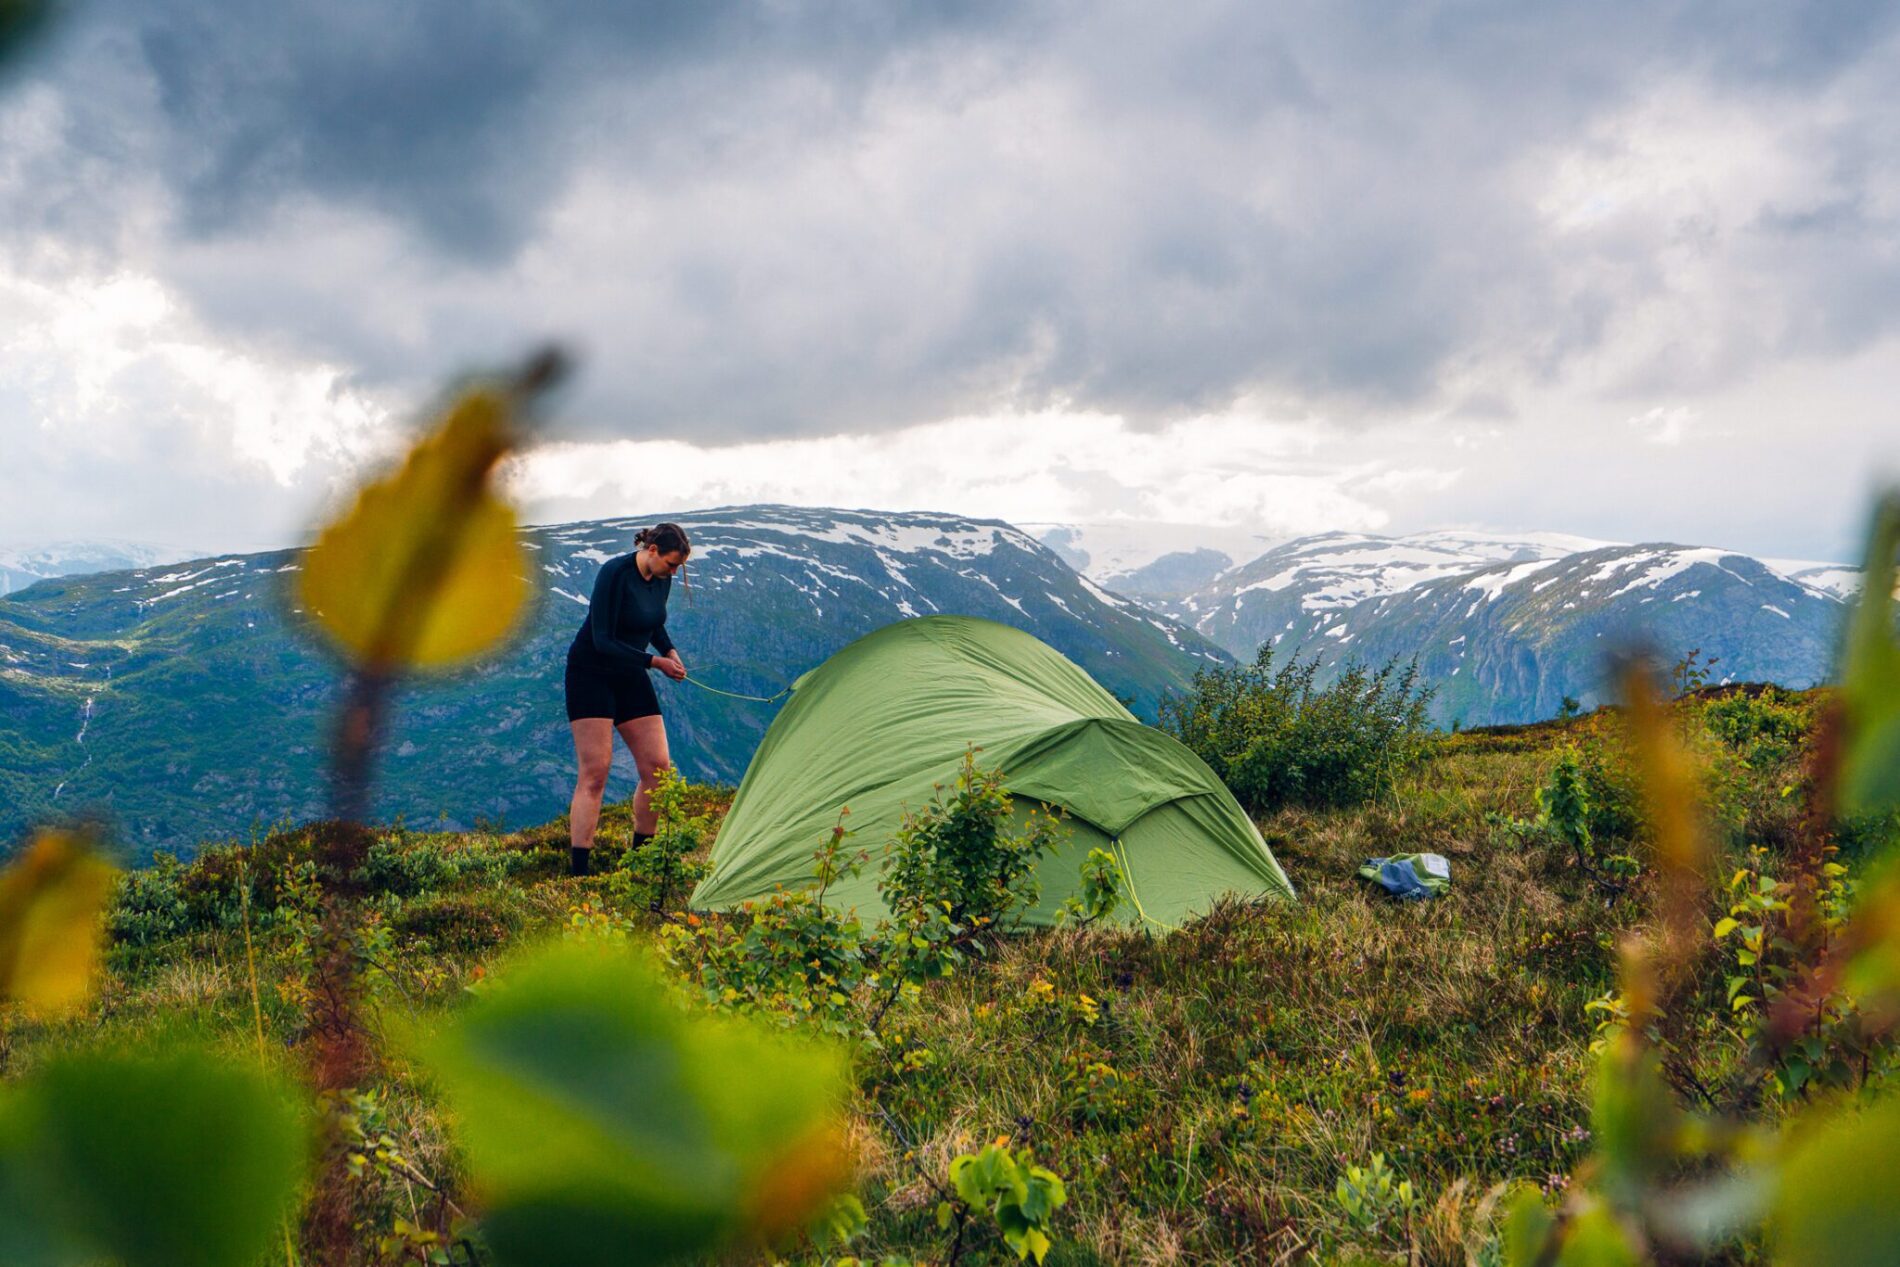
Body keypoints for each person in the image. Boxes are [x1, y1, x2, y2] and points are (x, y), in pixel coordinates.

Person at [563, 521, 690, 876]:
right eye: (670, 564)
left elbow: (653, 622)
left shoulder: (661, 579)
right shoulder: (614, 573)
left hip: (630, 672)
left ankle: (641, 861)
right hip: (591, 673)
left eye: (678, 566)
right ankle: (580, 872)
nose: (674, 571)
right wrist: (655, 662)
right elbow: (602, 638)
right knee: (595, 773)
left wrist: (670, 651)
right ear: (652, 551)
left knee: (658, 769)